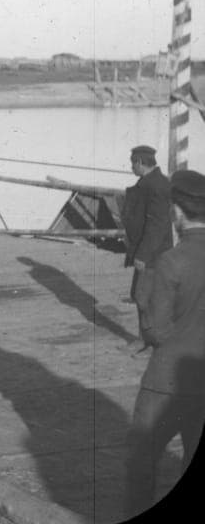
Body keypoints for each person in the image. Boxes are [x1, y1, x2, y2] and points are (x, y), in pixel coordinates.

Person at [124, 169, 205, 518]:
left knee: (140, 463)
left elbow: (156, 329)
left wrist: (149, 336)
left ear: (177, 212)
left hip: (165, 382)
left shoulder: (172, 261)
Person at [120, 145, 173, 352]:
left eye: (132, 163)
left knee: (146, 298)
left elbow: (157, 225)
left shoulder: (157, 186)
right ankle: (145, 340)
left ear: (140, 163)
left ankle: (156, 343)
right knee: (141, 295)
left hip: (153, 254)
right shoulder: (148, 182)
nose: (131, 167)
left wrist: (142, 255)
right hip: (146, 251)